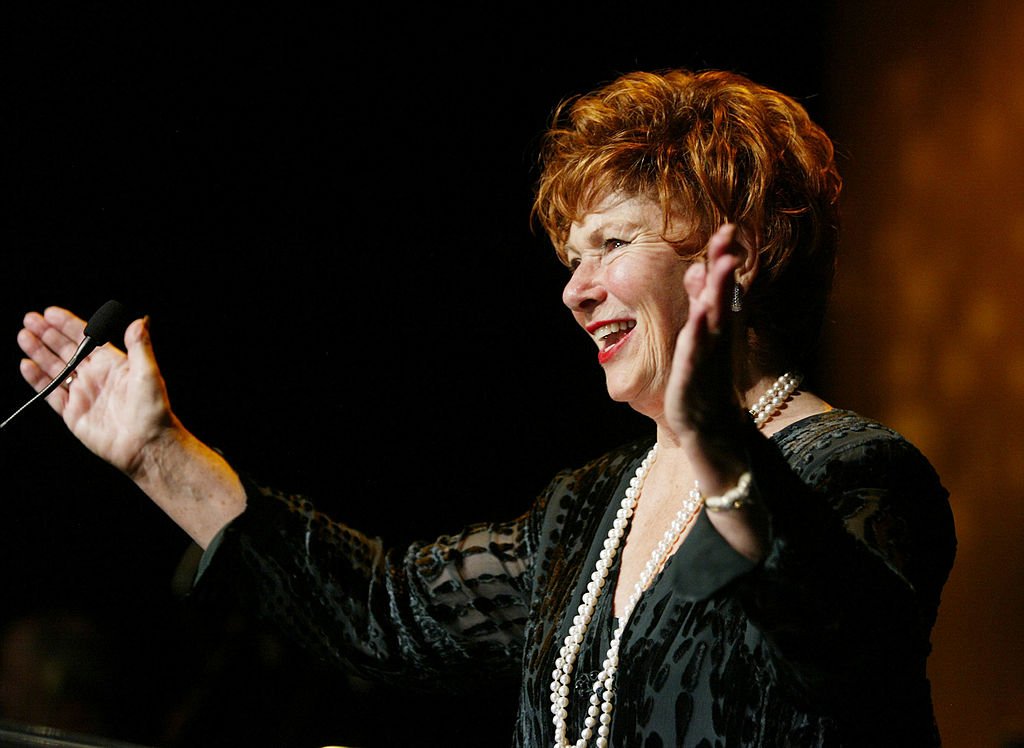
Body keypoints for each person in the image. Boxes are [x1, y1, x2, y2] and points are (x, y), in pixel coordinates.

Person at [14, 69, 956, 747]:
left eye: (612, 244)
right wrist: (155, 454)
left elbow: (851, 653)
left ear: (735, 257)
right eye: (570, 260)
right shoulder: (585, 511)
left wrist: (721, 444)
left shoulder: (855, 472)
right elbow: (381, 613)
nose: (575, 292)